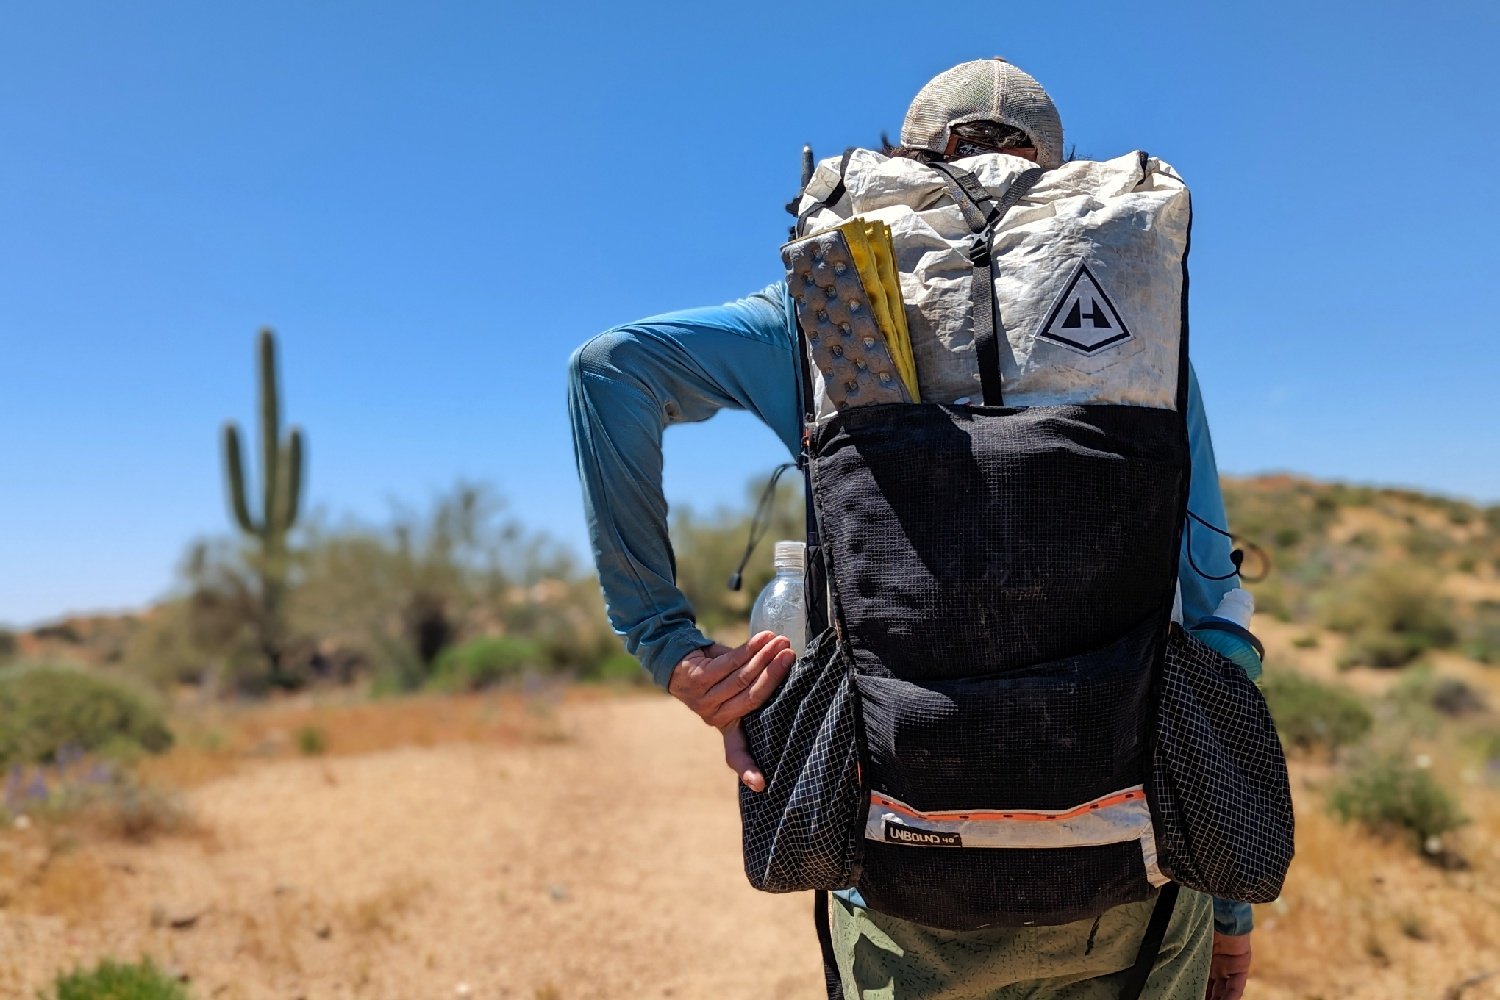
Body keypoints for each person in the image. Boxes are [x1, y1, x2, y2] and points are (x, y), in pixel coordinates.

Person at [568, 58, 1254, 1000]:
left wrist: (666, 644)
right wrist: (1228, 910)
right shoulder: (1136, 328)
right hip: (1130, 882)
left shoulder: (831, 301)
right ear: (1059, 174)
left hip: (899, 872)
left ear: (910, 162)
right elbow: (1217, 621)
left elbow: (611, 369)